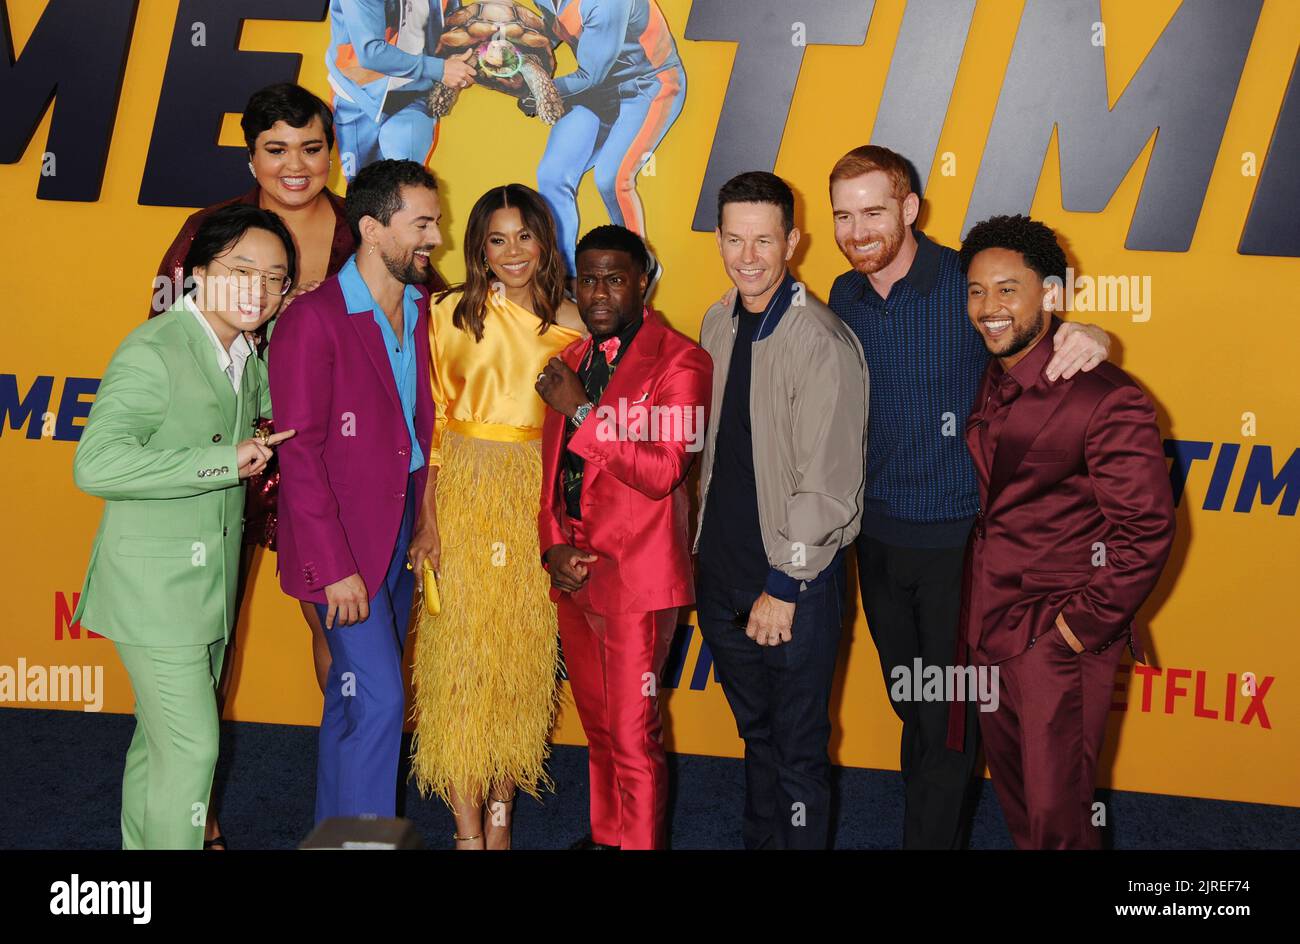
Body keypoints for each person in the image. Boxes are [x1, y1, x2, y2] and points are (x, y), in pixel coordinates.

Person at [150, 82, 451, 848]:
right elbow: (169, 345)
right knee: (206, 645)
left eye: (312, 147)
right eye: (276, 149)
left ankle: (341, 824)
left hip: (356, 490)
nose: (296, 165)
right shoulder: (210, 235)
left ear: (333, 152)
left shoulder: (371, 237)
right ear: (251, 156)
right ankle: (196, 815)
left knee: (355, 680)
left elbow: (439, 328)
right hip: (230, 462)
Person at [826, 145, 1112, 849]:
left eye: (873, 212)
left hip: (962, 544)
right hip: (876, 537)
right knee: (917, 705)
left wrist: (1090, 333)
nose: (858, 230)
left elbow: (1037, 333)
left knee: (949, 717)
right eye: (843, 215)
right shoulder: (843, 295)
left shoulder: (965, 280)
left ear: (910, 209)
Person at [72, 205, 298, 849]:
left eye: (274, 277)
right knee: (194, 750)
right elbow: (95, 465)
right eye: (241, 269)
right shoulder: (155, 349)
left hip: (208, 591)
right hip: (155, 595)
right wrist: (221, 462)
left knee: (161, 745)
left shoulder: (241, 352)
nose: (257, 288)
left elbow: (269, 414)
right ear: (198, 272)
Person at [957, 214, 1175, 848]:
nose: (989, 307)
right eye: (976, 291)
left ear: (1051, 295)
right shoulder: (994, 373)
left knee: (1062, 822)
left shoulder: (1107, 397)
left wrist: (1075, 632)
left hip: (1057, 639)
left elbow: (1146, 530)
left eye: (1006, 289)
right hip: (991, 627)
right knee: (1022, 807)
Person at [408, 184, 586, 850]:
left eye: (525, 236)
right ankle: (465, 832)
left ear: (545, 241)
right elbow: (431, 422)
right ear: (479, 246)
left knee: (520, 661)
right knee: (456, 664)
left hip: (531, 503)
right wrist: (427, 519)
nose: (513, 253)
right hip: (457, 494)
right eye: (497, 239)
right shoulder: (448, 313)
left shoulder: (574, 320)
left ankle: (502, 820)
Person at [694, 172, 868, 850]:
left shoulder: (820, 341)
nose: (748, 256)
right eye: (735, 239)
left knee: (797, 753)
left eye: (764, 240)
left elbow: (827, 488)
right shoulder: (716, 319)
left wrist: (784, 585)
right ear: (718, 239)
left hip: (791, 585)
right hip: (724, 579)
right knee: (758, 738)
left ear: (793, 241)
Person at [270, 159, 441, 824]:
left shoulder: (431, 312)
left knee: (350, 700)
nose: (435, 237)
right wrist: (332, 566)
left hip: (402, 530)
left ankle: (335, 840)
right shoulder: (313, 319)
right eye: (421, 224)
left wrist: (426, 521)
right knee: (379, 701)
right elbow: (300, 456)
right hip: (339, 540)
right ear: (372, 229)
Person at [536, 224, 711, 850]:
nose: (600, 293)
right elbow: (553, 471)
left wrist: (581, 409)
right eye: (588, 279)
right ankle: (608, 835)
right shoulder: (575, 360)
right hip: (574, 571)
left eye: (615, 278)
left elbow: (663, 471)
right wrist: (552, 545)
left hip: (637, 578)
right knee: (600, 727)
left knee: (634, 735)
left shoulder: (683, 360)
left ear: (643, 281)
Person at [530, 0, 687, 276]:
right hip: (599, 93)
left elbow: (590, 75)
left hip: (647, 85)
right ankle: (565, 276)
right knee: (553, 175)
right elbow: (555, 30)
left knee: (610, 178)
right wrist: (515, 54)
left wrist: (542, 89)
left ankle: (641, 266)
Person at [326, 0, 476, 178]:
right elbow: (370, 53)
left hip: (412, 96)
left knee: (406, 185)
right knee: (362, 190)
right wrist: (440, 69)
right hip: (356, 97)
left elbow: (453, 28)